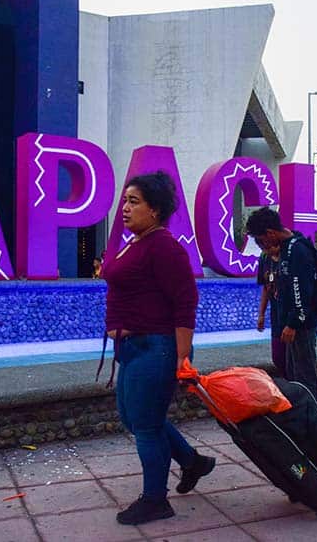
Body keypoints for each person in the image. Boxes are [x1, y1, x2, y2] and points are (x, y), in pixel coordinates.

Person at [100, 171, 215, 525]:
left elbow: (186, 301)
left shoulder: (164, 245)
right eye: (125, 200)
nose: (125, 208)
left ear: (155, 210)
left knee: (146, 426)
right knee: (134, 419)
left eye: (134, 202)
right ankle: (193, 461)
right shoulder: (135, 242)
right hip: (133, 347)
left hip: (158, 347)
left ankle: (155, 500)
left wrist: (182, 357)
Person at [245, 207, 317, 399]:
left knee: (305, 374)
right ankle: (300, 414)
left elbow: (301, 290)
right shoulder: (287, 248)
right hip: (290, 322)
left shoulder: (297, 249)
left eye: (261, 240)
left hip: (301, 325)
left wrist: (293, 323)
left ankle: (313, 418)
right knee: (292, 372)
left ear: (270, 233)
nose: (261, 245)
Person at [256, 238, 287, 378]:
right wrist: (261, 314)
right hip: (276, 316)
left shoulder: (289, 257)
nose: (266, 251)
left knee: (294, 359)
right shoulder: (264, 259)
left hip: (291, 315)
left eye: (267, 247)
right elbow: (266, 288)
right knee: (278, 356)